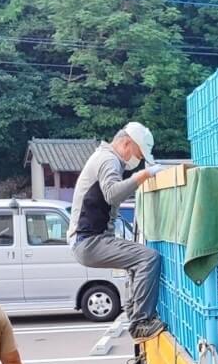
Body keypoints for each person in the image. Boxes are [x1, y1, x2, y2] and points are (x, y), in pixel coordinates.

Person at [69, 122, 166, 343]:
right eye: (138, 154)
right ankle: (141, 322)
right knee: (148, 258)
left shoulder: (105, 158)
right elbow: (112, 194)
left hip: (88, 240)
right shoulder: (108, 159)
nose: (138, 161)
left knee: (135, 259)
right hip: (89, 241)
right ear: (126, 143)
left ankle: (134, 311)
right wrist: (144, 175)